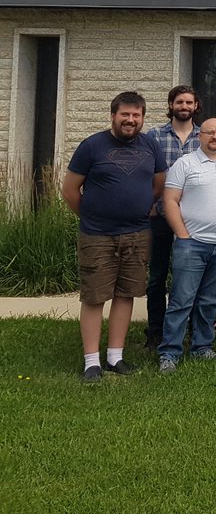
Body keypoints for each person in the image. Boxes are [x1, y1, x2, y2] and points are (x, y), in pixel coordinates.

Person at [62, 91, 166, 383]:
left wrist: (139, 207)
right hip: (97, 235)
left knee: (125, 294)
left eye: (136, 115)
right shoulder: (92, 146)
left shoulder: (151, 146)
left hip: (137, 233)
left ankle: (115, 356)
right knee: (95, 296)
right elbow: (70, 190)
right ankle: (91, 362)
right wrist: (92, 215)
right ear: (113, 116)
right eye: (125, 114)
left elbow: (158, 183)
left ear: (142, 118)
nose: (130, 120)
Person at [158, 119, 216, 372]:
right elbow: (170, 200)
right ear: (201, 136)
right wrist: (182, 234)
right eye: (210, 132)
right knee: (181, 300)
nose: (215, 137)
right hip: (192, 244)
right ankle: (169, 352)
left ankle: (202, 346)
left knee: (210, 300)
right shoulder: (184, 164)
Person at [144, 85, 201, 349]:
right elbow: (144, 172)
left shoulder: (204, 136)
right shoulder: (154, 136)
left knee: (188, 277)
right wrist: (150, 204)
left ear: (196, 106)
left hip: (193, 218)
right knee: (157, 276)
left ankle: (188, 328)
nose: (184, 106)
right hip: (160, 216)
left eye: (189, 102)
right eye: (179, 102)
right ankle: (155, 329)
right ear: (170, 105)